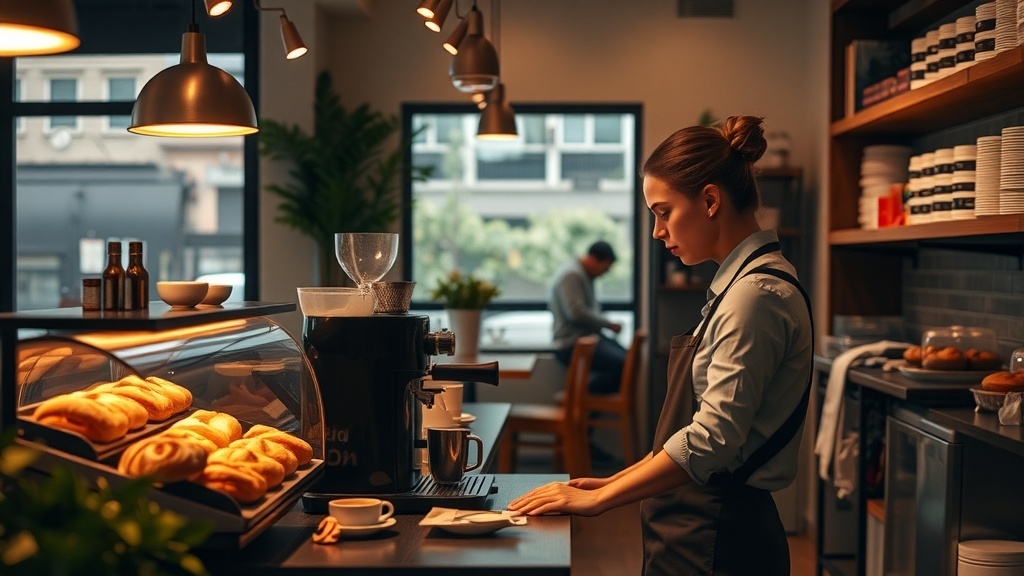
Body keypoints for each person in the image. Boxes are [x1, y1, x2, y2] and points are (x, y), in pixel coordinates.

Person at [510, 115, 813, 576]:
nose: (657, 231)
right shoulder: (740, 289)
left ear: (710, 200)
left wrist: (600, 501)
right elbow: (695, 433)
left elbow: (710, 441)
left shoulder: (755, 297)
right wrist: (614, 479)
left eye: (663, 211)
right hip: (698, 530)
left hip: (720, 540)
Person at [549, 240, 628, 395]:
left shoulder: (583, 275)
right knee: (623, 362)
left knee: (628, 358)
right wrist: (608, 324)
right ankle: (580, 398)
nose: (603, 274)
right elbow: (576, 313)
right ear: (593, 258)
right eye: (604, 268)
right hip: (571, 343)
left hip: (586, 339)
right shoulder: (572, 275)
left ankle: (584, 402)